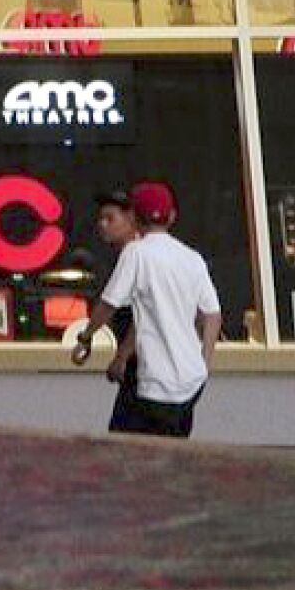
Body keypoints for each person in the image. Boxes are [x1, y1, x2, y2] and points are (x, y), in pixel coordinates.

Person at [71, 181, 221, 437]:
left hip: (155, 378)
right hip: (190, 377)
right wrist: (204, 361)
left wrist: (86, 337)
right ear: (172, 216)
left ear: (134, 217)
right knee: (174, 449)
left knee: (129, 448)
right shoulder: (192, 258)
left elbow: (110, 303)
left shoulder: (136, 254)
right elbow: (212, 315)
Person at [91, 189, 143, 434]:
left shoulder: (136, 255)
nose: (103, 225)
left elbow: (144, 315)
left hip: (142, 363)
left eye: (110, 218)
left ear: (131, 219)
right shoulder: (122, 256)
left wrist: (122, 355)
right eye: (100, 219)